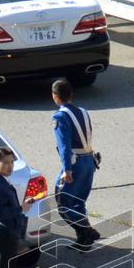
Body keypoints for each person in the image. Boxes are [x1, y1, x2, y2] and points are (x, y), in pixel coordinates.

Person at [51, 78, 100, 250]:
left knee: (63, 203)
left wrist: (67, 169)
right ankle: (84, 239)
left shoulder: (60, 116)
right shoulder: (83, 112)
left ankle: (87, 231)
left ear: (55, 96)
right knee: (79, 202)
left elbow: (64, 145)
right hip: (89, 161)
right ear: (71, 94)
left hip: (75, 163)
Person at [0, 147, 39, 268]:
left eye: (12, 162)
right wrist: (21, 208)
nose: (10, 166)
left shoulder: (3, 180)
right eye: (5, 163)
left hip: (8, 234)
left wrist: (24, 205)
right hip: (4, 235)